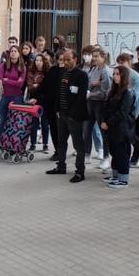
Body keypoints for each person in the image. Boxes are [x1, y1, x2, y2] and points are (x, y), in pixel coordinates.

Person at [45, 49, 89, 182]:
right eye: (64, 60)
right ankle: (61, 166)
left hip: (74, 116)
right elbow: (59, 93)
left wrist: (72, 114)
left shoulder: (81, 75)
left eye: (68, 60)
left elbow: (81, 97)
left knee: (78, 145)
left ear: (75, 59)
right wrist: (57, 109)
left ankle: (80, 172)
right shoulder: (63, 73)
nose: (65, 62)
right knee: (61, 142)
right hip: (61, 114)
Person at [100, 66, 137, 188]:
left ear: (123, 76)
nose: (114, 76)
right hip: (112, 128)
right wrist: (104, 120)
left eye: (117, 74)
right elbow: (107, 107)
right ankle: (115, 175)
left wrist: (108, 122)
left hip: (122, 128)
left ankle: (123, 179)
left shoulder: (128, 92)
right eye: (114, 73)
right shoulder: (114, 90)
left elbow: (122, 112)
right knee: (114, 152)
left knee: (122, 153)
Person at [85, 48, 112, 169]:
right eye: (93, 56)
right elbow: (89, 83)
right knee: (87, 129)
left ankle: (106, 156)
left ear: (103, 57)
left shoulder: (105, 71)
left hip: (100, 105)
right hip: (90, 103)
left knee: (103, 131)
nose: (94, 58)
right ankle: (87, 154)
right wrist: (92, 85)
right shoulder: (94, 68)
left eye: (96, 56)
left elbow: (105, 92)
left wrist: (90, 94)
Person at [26, 53, 50, 152]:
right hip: (33, 100)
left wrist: (38, 86)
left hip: (44, 100)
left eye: (40, 60)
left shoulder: (47, 72)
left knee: (45, 123)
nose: (38, 62)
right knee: (34, 123)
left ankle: (45, 144)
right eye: (36, 60)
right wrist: (37, 86)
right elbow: (30, 87)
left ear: (44, 61)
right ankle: (33, 144)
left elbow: (47, 88)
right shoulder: (31, 72)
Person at [0, 46, 27, 129]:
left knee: (15, 120)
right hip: (5, 96)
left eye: (15, 51)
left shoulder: (22, 67)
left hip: (16, 97)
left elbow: (20, 84)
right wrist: (13, 81)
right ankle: (1, 139)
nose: (13, 53)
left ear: (19, 54)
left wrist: (7, 80)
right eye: (12, 51)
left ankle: (14, 141)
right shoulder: (4, 65)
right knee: (3, 120)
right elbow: (0, 80)